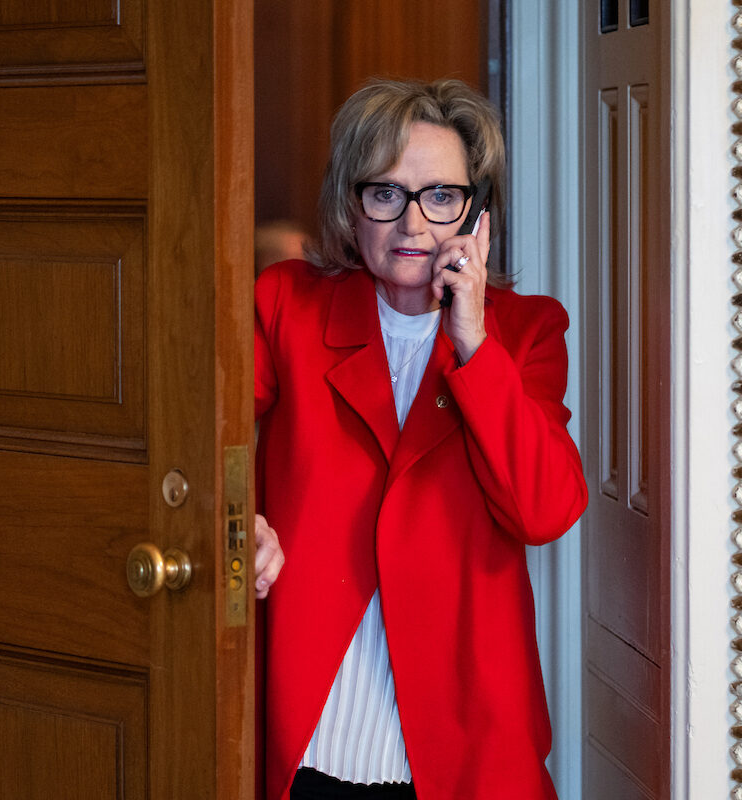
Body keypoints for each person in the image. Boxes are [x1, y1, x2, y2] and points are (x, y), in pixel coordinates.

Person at [252, 78, 588, 800]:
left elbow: (545, 510)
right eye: (385, 194)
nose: (413, 224)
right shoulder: (286, 305)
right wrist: (232, 525)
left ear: (477, 211)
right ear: (351, 204)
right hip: (308, 734)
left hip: (464, 744)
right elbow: (188, 439)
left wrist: (473, 343)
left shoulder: (526, 331)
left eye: (440, 196)